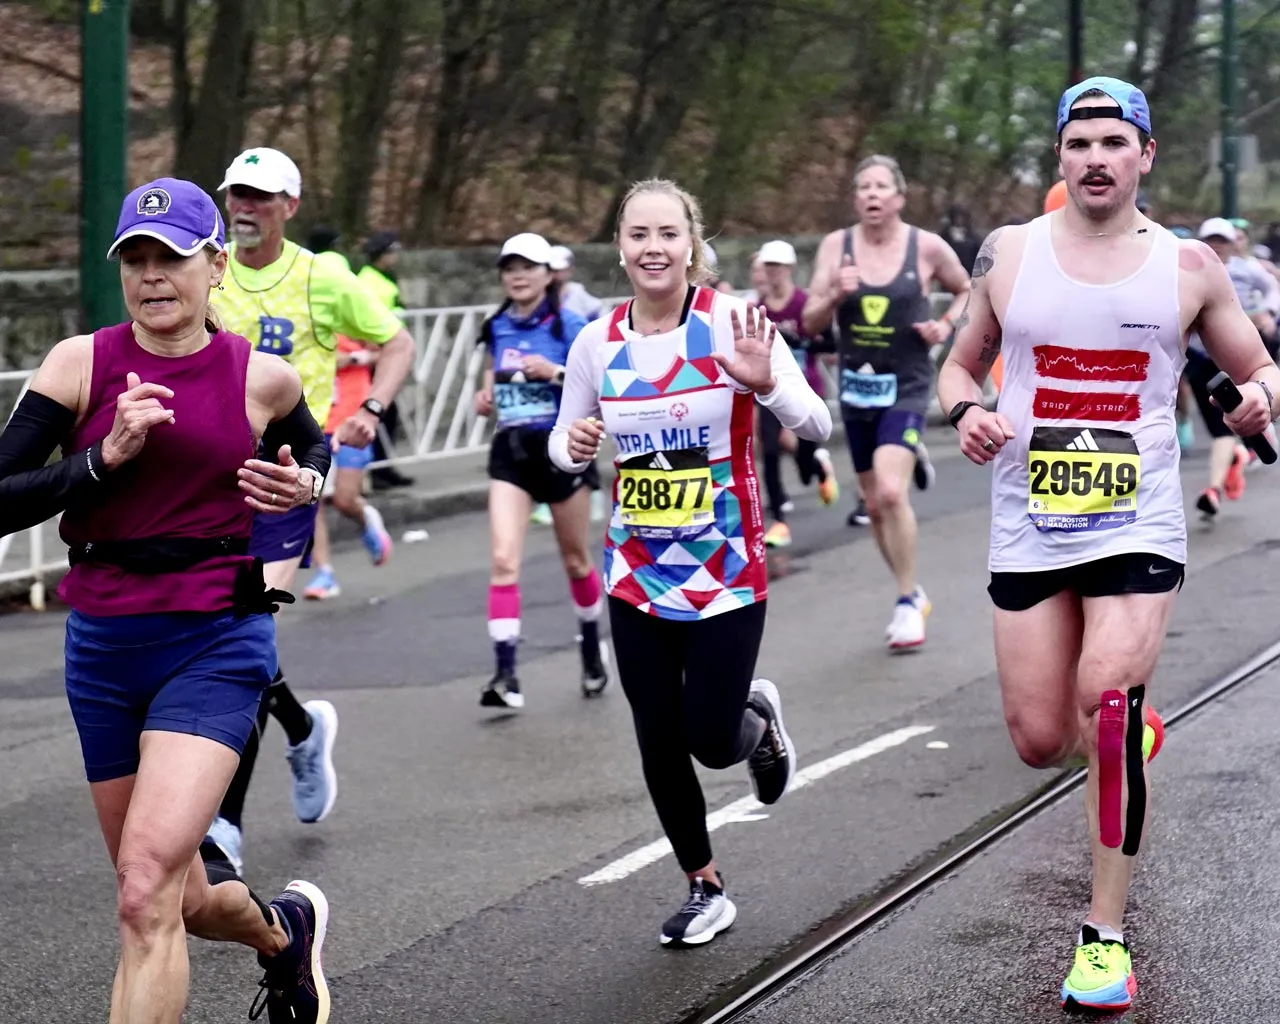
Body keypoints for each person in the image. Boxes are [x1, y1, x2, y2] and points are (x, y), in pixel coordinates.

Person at [936, 76, 1280, 1013]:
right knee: (1041, 738)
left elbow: (1259, 366)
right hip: (1031, 519)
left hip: (1136, 519)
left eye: (1113, 142)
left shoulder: (1188, 269)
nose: (1096, 158)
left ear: (1144, 156)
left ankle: (1103, 936)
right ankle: (1113, 738)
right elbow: (961, 365)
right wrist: (966, 410)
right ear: (1060, 155)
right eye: (1079, 142)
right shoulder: (1008, 255)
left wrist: (1261, 396)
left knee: (1110, 707)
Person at [0, 178, 331, 1024]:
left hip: (216, 640)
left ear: (215, 265)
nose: (153, 276)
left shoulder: (262, 378)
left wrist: (305, 488)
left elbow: (313, 450)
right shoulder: (80, 364)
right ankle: (285, 934)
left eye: (172, 258)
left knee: (141, 892)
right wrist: (101, 459)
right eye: (136, 259)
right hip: (105, 649)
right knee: (176, 899)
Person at [550, 179, 831, 946]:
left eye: (668, 233)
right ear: (620, 245)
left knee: (709, 736)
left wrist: (766, 381)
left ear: (692, 243)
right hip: (636, 569)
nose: (653, 248)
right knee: (656, 732)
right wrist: (571, 445)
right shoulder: (596, 339)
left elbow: (818, 424)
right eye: (638, 233)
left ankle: (756, 723)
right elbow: (564, 434)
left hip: (726, 565)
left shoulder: (731, 322)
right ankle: (704, 886)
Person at [204, 146, 415, 873]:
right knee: (225, 636)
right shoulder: (209, 269)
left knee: (244, 634)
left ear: (289, 206)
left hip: (293, 479)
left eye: (261, 196)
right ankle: (300, 726)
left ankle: (225, 825)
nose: (245, 207)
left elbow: (398, 340)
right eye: (237, 193)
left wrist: (372, 409)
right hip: (213, 483)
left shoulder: (323, 276)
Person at [803, 154, 971, 650]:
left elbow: (967, 289)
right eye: (863, 187)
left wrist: (942, 327)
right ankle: (912, 590)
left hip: (909, 382)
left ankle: (904, 600)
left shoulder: (926, 246)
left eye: (881, 186)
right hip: (857, 389)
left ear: (899, 197)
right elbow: (811, 321)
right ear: (856, 199)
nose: (872, 194)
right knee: (875, 504)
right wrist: (834, 292)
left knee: (893, 494)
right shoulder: (838, 246)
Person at [473, 232, 608, 708]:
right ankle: (506, 675)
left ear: (548, 274)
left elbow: (599, 392)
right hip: (510, 452)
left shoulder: (571, 326)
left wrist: (553, 373)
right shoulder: (496, 326)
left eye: (528, 267)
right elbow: (490, 382)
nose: (517, 275)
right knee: (504, 560)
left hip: (561, 451)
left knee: (575, 560)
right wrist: (484, 397)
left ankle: (593, 648)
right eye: (509, 267)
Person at [1184, 217, 1279, 518]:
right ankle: (1236, 453)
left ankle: (1212, 489)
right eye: (1210, 240)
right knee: (1219, 428)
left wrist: (1266, 313)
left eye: (1222, 241)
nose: (1216, 246)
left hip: (1234, 356)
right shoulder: (1187, 270)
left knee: (1224, 427)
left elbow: (1273, 288)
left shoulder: (1246, 269)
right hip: (1199, 359)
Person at [754, 238, 840, 549]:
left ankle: (816, 465)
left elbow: (831, 344)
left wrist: (799, 342)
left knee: (803, 462)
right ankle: (778, 521)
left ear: (789, 268)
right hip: (769, 388)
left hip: (805, 387)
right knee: (771, 450)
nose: (773, 272)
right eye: (768, 266)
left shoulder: (804, 304)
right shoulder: (757, 307)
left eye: (778, 266)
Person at [303, 334, 394, 599]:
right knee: (312, 499)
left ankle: (366, 519)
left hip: (353, 420)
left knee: (344, 499)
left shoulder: (348, 314)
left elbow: (388, 352)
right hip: (314, 421)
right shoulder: (300, 314)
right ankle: (324, 573)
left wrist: (353, 358)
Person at [358, 230, 417, 490]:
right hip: (378, 353)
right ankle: (376, 468)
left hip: (388, 349)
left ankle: (382, 466)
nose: (395, 257)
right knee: (380, 410)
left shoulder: (382, 277)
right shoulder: (368, 280)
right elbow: (365, 320)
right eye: (392, 252)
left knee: (388, 413)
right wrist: (376, 352)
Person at [549, 244, 605, 321]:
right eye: (553, 270)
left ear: (571, 270)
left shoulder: (577, 293)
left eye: (562, 270)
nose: (557, 274)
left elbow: (598, 313)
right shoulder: (538, 296)